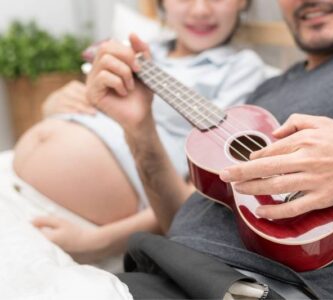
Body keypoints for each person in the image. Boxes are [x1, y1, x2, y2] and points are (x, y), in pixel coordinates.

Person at [85, 0, 333, 298]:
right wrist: (140, 130)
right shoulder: (263, 93)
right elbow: (186, 216)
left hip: (277, 287)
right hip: (169, 268)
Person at [10, 0, 277, 265]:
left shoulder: (242, 68)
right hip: (14, 184)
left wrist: (93, 242)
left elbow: (195, 201)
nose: (200, 10)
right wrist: (54, 107)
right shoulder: (141, 53)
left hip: (77, 226)